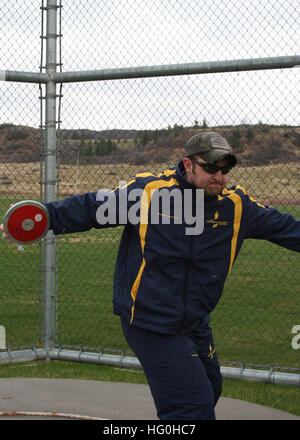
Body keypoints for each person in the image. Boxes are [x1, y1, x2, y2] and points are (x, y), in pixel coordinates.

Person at [1, 131, 300, 420]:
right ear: (188, 164)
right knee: (191, 407)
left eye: (225, 170)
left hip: (194, 321)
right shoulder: (149, 193)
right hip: (150, 320)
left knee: (210, 389)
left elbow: (288, 228)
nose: (219, 177)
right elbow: (92, 208)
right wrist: (43, 219)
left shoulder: (236, 206)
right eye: (211, 168)